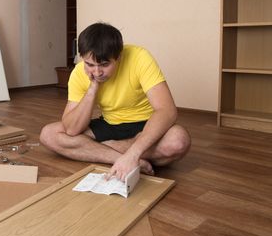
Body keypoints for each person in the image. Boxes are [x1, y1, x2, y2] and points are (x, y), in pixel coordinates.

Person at [40, 22, 191, 181]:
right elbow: (71, 129)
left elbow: (167, 111)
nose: (97, 72)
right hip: (110, 124)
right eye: (90, 64)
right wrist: (92, 88)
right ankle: (124, 159)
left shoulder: (140, 57)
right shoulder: (79, 73)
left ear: (118, 57)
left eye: (104, 65)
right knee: (49, 134)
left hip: (146, 123)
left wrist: (133, 153)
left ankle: (106, 151)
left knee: (178, 141)